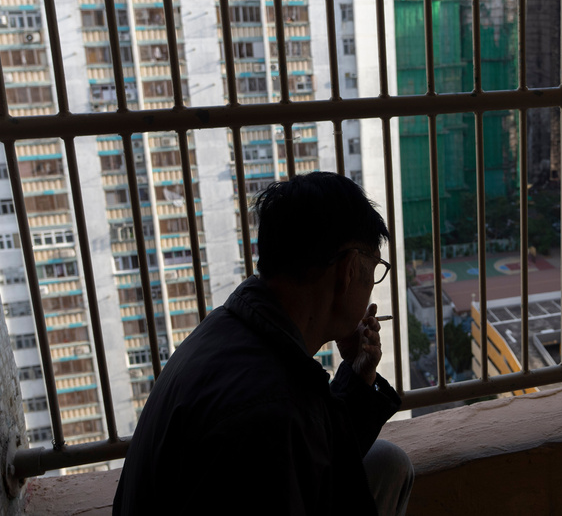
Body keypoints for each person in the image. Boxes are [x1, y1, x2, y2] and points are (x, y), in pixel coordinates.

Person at [113, 171, 413, 515]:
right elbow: (289, 445)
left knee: (388, 464)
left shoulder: (232, 327)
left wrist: (357, 378)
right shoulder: (271, 411)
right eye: (373, 270)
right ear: (346, 271)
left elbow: (316, 453)